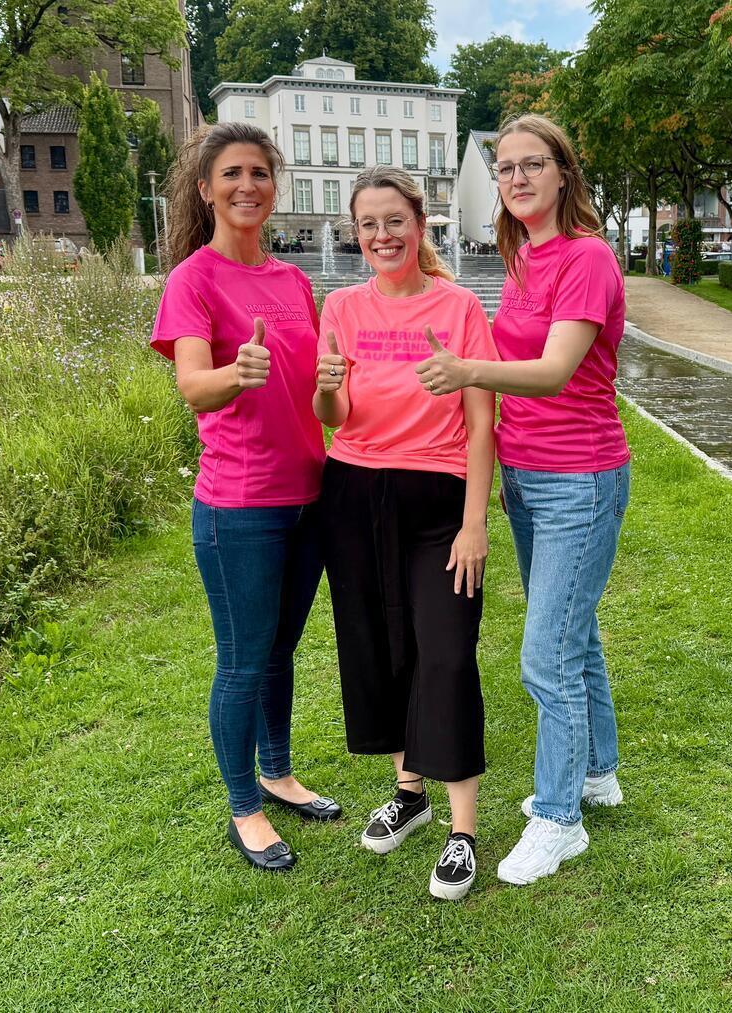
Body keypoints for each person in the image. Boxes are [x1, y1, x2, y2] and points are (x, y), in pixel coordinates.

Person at [414, 114, 630, 886]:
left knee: (547, 657)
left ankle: (558, 818)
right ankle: (597, 773)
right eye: (503, 168)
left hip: (581, 477)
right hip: (530, 479)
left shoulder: (587, 258)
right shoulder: (524, 258)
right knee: (578, 637)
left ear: (564, 173)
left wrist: (469, 371)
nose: (515, 179)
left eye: (531, 165)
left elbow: (553, 370)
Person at [149, 123, 340, 873]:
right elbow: (192, 383)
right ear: (206, 189)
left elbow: (322, 387)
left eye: (260, 172)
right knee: (242, 659)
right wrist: (238, 371)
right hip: (239, 504)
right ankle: (244, 806)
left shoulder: (293, 283)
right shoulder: (192, 279)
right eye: (231, 173)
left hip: (310, 494)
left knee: (280, 649)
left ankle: (277, 768)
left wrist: (334, 385)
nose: (247, 185)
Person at [314, 165, 497, 901]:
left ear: (420, 225)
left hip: (438, 496)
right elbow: (333, 416)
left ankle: (463, 831)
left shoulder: (458, 309)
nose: (382, 235)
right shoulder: (342, 306)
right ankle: (408, 789)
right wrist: (327, 383)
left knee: (446, 651)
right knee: (379, 646)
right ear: (355, 233)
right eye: (368, 225)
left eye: (395, 221)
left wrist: (475, 521)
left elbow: (483, 420)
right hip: (354, 491)